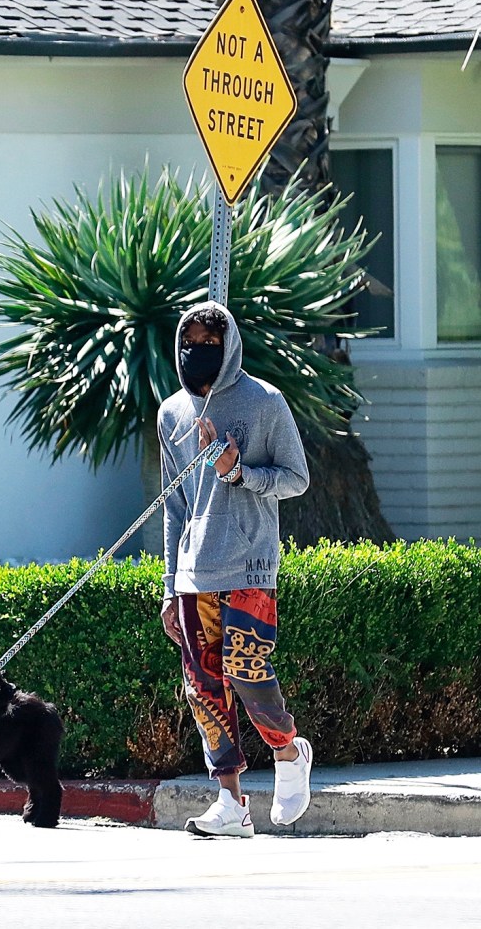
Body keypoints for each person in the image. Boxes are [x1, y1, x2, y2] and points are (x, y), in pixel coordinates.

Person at [158, 301, 312, 837]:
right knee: (203, 689)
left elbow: (296, 478)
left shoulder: (264, 402)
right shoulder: (172, 413)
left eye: (207, 344)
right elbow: (173, 507)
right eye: (188, 343)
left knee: (248, 673)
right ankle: (230, 802)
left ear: (228, 347)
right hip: (193, 574)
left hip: (249, 564)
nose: (195, 352)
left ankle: (289, 752)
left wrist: (239, 472)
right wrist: (167, 586)